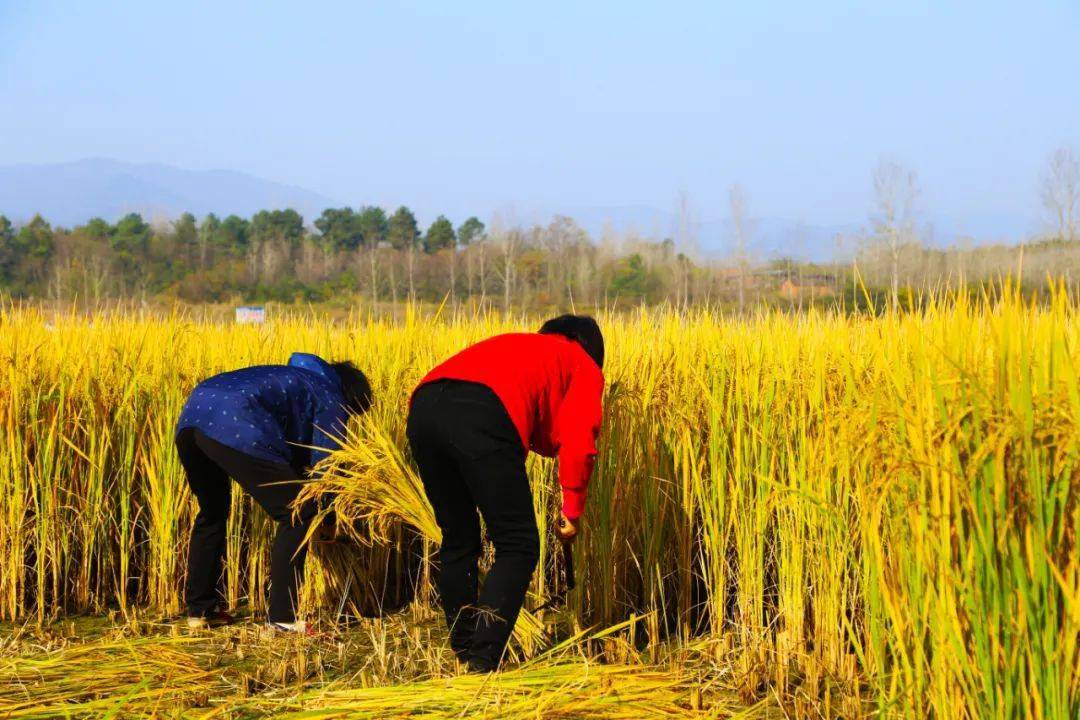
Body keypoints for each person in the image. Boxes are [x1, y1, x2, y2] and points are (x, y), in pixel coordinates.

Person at [406, 315, 605, 672]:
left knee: (459, 538)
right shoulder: (583, 364)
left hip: (423, 407)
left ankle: (465, 650)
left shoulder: (522, 345)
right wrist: (572, 512)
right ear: (592, 349)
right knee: (518, 544)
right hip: (483, 413)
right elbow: (579, 445)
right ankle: (483, 663)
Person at [175, 352, 372, 632]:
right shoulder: (330, 395)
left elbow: (296, 457)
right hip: (236, 423)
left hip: (192, 417)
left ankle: (201, 610)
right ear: (352, 395)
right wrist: (326, 518)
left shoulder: (298, 381)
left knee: (212, 512)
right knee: (299, 513)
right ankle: (283, 619)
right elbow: (325, 464)